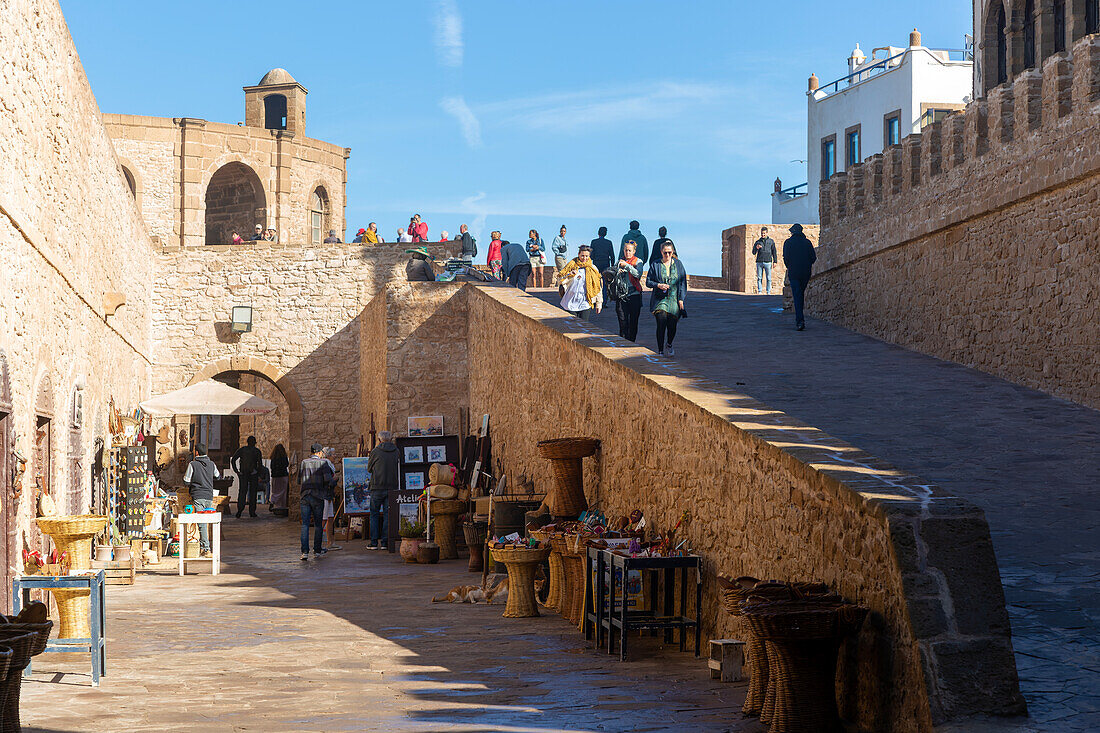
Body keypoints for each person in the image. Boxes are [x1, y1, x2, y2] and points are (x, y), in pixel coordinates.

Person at [646, 241, 687, 356]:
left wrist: (681, 299)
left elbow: (683, 283)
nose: (667, 255)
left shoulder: (678, 264)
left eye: (669, 252)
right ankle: (660, 350)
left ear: (672, 252)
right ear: (661, 252)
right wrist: (658, 285)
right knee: (661, 321)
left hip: (674, 298)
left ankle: (669, 343)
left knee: (672, 325)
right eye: (665, 253)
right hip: (660, 299)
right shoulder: (655, 264)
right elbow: (648, 281)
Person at [298, 443, 334, 559]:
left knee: (305, 524)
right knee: (318, 524)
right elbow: (328, 480)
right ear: (319, 453)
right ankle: (317, 550)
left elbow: (299, 480)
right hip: (318, 496)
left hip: (305, 495)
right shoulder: (323, 463)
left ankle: (304, 552)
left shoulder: (304, 463)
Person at [182, 442, 218, 558]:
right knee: (207, 521)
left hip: (198, 496)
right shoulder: (212, 464)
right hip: (209, 496)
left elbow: (186, 480)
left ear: (196, 452)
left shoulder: (193, 464)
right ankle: (206, 547)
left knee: (201, 523)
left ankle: (206, 548)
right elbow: (217, 476)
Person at [366, 431, 399, 550]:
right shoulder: (396, 451)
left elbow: (369, 469)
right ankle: (385, 542)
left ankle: (374, 542)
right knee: (388, 515)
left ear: (379, 440)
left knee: (374, 514)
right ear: (390, 440)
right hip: (392, 486)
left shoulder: (375, 452)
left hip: (377, 486)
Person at [782, 223, 817, 331]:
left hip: (794, 273)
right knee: (800, 294)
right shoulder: (807, 243)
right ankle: (800, 319)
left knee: (797, 296)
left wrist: (791, 266)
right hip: (805, 272)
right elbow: (813, 258)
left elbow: (786, 258)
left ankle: (800, 321)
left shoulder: (788, 243)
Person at [557, 245, 603, 321]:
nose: (584, 258)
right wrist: (569, 275)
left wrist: (599, 303)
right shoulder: (571, 266)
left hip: (585, 302)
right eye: (582, 256)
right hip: (570, 302)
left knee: (583, 327)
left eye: (586, 256)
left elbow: (598, 287)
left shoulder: (593, 268)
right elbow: (560, 279)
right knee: (572, 326)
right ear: (578, 254)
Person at [614, 240, 645, 341]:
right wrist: (618, 271)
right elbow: (612, 276)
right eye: (626, 250)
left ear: (634, 251)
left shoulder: (638, 261)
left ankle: (631, 342)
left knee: (633, 322)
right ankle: (623, 342)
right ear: (623, 250)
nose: (627, 253)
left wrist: (627, 266)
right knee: (622, 322)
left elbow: (638, 274)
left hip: (634, 295)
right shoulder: (619, 262)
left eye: (630, 251)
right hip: (621, 296)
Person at [231, 435, 263, 518]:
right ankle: (252, 512)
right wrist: (258, 474)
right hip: (253, 473)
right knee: (252, 493)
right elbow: (260, 464)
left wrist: (237, 471)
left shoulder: (242, 450)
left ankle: (240, 510)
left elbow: (233, 459)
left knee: (242, 492)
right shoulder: (257, 451)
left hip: (244, 473)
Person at [590, 226, 616, 303]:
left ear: (598, 233)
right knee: (605, 284)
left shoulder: (594, 242)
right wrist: (612, 266)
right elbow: (612, 255)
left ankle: (595, 300)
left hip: (596, 263)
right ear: (606, 234)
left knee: (595, 282)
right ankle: (604, 301)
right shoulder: (609, 242)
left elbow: (591, 255)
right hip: (606, 263)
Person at [322, 447, 341, 551]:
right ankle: (318, 543)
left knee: (330, 518)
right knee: (323, 519)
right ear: (328, 455)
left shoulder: (330, 466)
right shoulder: (325, 465)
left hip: (328, 495)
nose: (335, 456)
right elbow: (328, 481)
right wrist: (335, 479)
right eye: (333, 454)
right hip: (325, 495)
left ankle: (331, 542)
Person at [752, 227, 778, 294]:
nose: (763, 235)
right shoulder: (758, 242)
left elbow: (774, 251)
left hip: (768, 262)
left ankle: (768, 291)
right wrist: (756, 248)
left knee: (768, 278)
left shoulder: (771, 241)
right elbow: (753, 252)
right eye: (762, 233)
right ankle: (760, 291)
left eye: (764, 233)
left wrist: (775, 261)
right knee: (759, 278)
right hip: (759, 262)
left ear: (766, 233)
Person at [268, 443, 290, 514]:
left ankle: (273, 501)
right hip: (283, 475)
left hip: (275, 476)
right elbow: (286, 464)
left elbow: (272, 467)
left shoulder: (273, 458)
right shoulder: (284, 457)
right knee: (283, 491)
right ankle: (281, 506)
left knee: (275, 491)